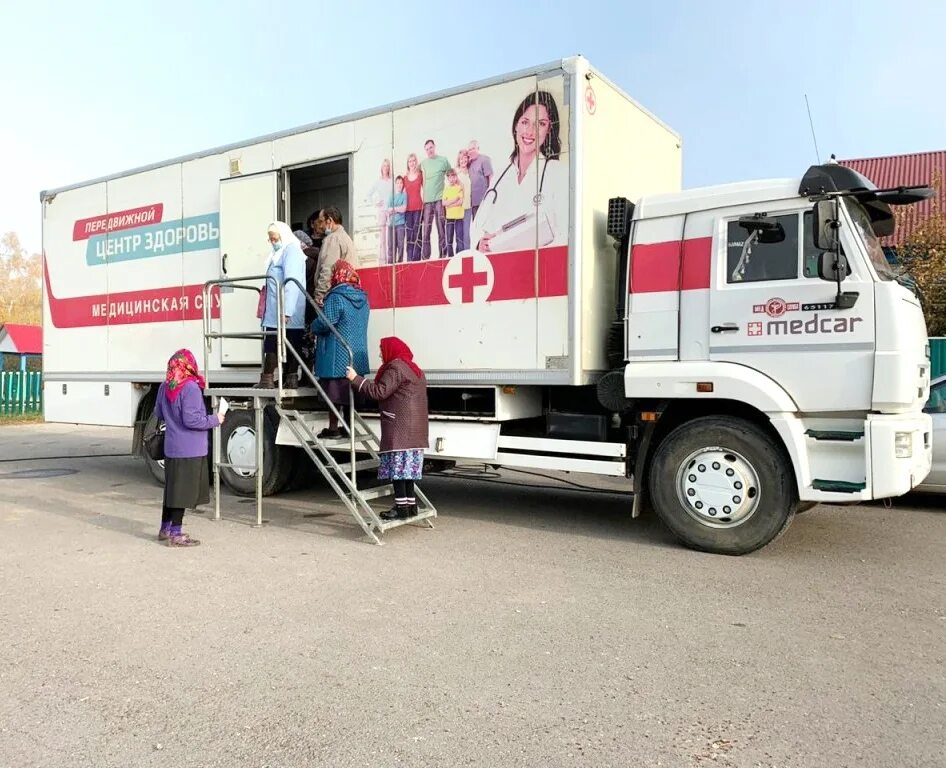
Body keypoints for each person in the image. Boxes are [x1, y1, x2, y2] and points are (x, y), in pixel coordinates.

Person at [470, 90, 568, 255]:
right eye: (525, 122)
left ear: (549, 131)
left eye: (541, 124)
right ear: (515, 125)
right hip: (497, 268)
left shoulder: (558, 173)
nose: (530, 131)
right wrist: (481, 242)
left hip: (535, 272)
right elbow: (478, 226)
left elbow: (564, 235)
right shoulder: (500, 176)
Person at [346, 337, 429, 521]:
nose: (380, 354)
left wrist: (356, 379)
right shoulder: (415, 369)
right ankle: (410, 506)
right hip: (415, 430)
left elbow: (379, 391)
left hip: (400, 428)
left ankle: (401, 508)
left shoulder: (396, 368)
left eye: (382, 350)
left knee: (399, 471)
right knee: (408, 472)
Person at [154, 349, 224, 547]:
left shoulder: (165, 386)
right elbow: (192, 419)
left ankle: (165, 528)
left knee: (172, 490)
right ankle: (176, 534)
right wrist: (215, 419)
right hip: (190, 448)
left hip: (172, 447)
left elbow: (158, 412)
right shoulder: (190, 387)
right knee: (183, 493)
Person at [311, 260, 370, 439]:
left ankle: (334, 428)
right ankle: (349, 426)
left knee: (334, 394)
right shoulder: (363, 297)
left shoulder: (336, 297)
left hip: (337, 355)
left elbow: (325, 323)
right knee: (350, 392)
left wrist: (312, 326)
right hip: (357, 355)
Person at [257, 222, 307, 389]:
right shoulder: (278, 253)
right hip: (276, 308)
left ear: (283, 236)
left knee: (277, 342)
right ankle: (286, 378)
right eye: (270, 239)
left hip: (286, 308)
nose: (272, 242)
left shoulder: (291, 251)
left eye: (275, 238)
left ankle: (269, 378)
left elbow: (292, 282)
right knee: (279, 341)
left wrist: (287, 311)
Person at [314, 206, 357, 307]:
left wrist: (320, 295)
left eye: (321, 221)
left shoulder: (333, 239)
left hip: (333, 296)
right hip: (346, 294)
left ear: (329, 221)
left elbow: (328, 270)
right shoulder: (345, 236)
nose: (319, 226)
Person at [419, 139, 451, 259]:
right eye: (427, 149)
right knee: (426, 230)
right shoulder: (423, 164)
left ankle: (443, 255)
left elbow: (451, 175)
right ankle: (425, 257)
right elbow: (415, 176)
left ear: (434, 147)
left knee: (441, 228)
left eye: (431, 147)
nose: (429, 150)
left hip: (439, 200)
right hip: (427, 202)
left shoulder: (443, 160)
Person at [367, 160, 393, 263]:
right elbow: (368, 195)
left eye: (387, 166)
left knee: (390, 237)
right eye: (384, 166)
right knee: (382, 238)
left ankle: (391, 260)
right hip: (382, 211)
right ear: (381, 168)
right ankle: (383, 260)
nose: (386, 168)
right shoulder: (378, 182)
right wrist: (375, 202)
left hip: (391, 212)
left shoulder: (391, 181)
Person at [402, 154, 424, 262]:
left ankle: (417, 259)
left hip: (418, 208)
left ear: (416, 162)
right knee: (409, 235)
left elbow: (426, 189)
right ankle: (410, 259)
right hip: (407, 210)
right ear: (408, 163)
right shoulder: (404, 178)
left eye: (414, 160)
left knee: (418, 233)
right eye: (410, 161)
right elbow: (400, 194)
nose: (412, 163)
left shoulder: (421, 175)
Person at [467, 139, 494, 221]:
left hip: (483, 199)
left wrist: (490, 195)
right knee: (476, 224)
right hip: (473, 202)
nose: (471, 151)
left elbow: (490, 177)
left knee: (485, 222)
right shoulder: (470, 163)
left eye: (473, 148)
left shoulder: (485, 159)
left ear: (478, 148)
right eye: (469, 149)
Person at [441, 168, 465, 258]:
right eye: (449, 177)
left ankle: (460, 257)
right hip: (449, 217)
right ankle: (450, 257)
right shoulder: (446, 189)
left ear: (456, 177)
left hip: (459, 217)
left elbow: (460, 201)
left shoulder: (459, 188)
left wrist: (450, 204)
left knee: (459, 238)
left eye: (453, 176)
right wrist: (455, 199)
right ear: (448, 178)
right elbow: (443, 203)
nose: (451, 179)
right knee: (449, 239)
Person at [456, 149, 473, 252]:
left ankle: (467, 253)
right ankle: (459, 254)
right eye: (461, 158)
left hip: (468, 207)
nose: (463, 160)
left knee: (466, 232)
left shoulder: (471, 172)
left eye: (465, 157)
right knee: (459, 233)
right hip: (458, 208)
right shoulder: (456, 173)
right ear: (458, 160)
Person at [387, 175, 408, 264]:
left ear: (403, 184)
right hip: (391, 224)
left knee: (400, 245)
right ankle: (391, 263)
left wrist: (394, 209)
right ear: (395, 184)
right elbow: (388, 210)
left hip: (400, 224)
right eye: (398, 183)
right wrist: (397, 209)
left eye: (401, 183)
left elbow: (404, 209)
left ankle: (399, 262)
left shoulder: (404, 195)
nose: (399, 185)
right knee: (391, 245)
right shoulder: (391, 196)